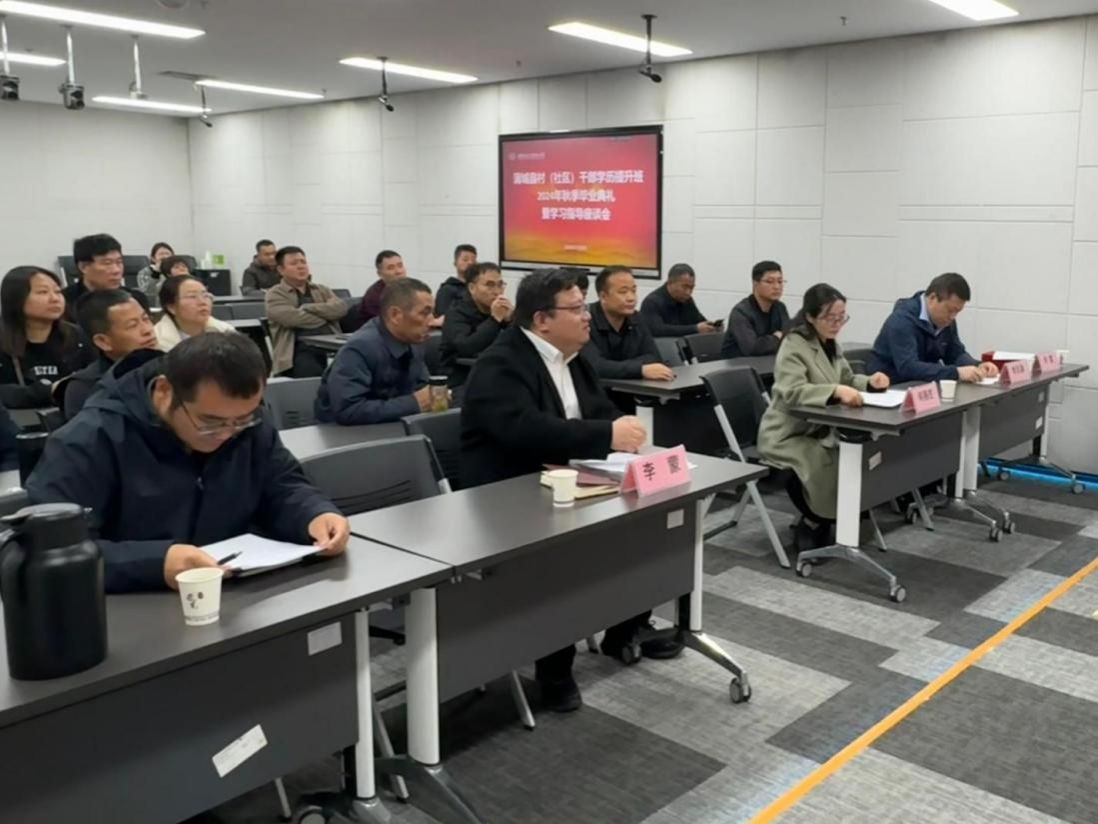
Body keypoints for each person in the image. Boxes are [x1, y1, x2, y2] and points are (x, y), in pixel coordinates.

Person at [461, 268, 679, 713]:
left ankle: (625, 628)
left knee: (643, 526)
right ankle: (555, 669)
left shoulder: (573, 357)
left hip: (566, 481)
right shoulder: (500, 363)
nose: (586, 317)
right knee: (565, 559)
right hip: (510, 494)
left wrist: (621, 427)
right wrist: (607, 434)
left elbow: (596, 409)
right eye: (576, 309)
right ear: (542, 320)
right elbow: (526, 430)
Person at [26, 333, 350, 593]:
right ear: (164, 391)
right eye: (210, 422)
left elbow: (282, 484)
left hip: (235, 592)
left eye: (242, 419)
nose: (227, 433)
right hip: (131, 610)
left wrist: (314, 514)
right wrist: (155, 562)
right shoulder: (89, 440)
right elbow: (55, 551)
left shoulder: (247, 423)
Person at [758, 284, 891, 551]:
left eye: (841, 318)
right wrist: (835, 391)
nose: (837, 324)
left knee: (855, 455)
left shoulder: (829, 343)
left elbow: (847, 379)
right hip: (787, 434)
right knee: (823, 460)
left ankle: (832, 519)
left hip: (818, 428)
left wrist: (870, 383)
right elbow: (792, 392)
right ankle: (815, 520)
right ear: (810, 316)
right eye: (830, 318)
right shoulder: (794, 345)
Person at [315, 278, 433, 425]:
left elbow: (421, 387)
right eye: (424, 314)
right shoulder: (359, 349)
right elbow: (348, 410)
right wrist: (413, 403)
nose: (431, 321)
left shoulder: (414, 342)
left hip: (392, 426)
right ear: (395, 315)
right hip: (345, 433)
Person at [867, 272, 998, 384]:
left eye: (957, 312)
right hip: (890, 388)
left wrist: (977, 366)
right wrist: (956, 373)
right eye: (950, 310)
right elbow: (908, 367)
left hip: (921, 386)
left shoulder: (946, 321)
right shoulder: (902, 320)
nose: (953, 317)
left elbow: (955, 353)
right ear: (932, 298)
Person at [0, 266, 92, 409]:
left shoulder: (76, 336)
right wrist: (47, 391)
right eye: (43, 292)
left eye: (58, 291)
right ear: (15, 298)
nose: (55, 299)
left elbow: (97, 378)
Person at [62, 289, 159, 420]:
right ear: (103, 342)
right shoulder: (85, 388)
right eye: (132, 325)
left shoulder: (172, 367)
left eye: (146, 319)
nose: (148, 330)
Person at [265, 246, 348, 377]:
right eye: (294, 263)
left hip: (332, 345)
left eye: (303, 262)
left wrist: (309, 308)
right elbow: (292, 319)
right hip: (298, 350)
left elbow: (340, 308)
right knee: (312, 374)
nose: (301, 266)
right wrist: (326, 315)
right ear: (281, 270)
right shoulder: (275, 294)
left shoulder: (321, 289)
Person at [583, 265, 673, 382]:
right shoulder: (585, 320)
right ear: (603, 296)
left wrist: (614, 367)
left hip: (632, 389)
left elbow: (654, 358)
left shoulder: (637, 318)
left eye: (633, 291)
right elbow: (595, 366)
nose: (631, 298)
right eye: (623, 292)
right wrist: (640, 369)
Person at [439, 262, 511, 387]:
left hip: (496, 374)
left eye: (500, 285)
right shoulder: (456, 313)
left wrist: (512, 320)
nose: (497, 291)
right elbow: (467, 348)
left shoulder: (500, 312)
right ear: (472, 288)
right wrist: (494, 320)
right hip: (461, 378)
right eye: (489, 285)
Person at [63, 234, 150, 321]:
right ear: (83, 267)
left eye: (119, 262)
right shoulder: (65, 302)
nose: (116, 270)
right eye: (107, 263)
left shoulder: (135, 299)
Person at [721, 260, 792, 358]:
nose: (777, 287)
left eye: (780, 282)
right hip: (738, 364)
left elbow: (789, 339)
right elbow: (752, 348)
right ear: (755, 284)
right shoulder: (741, 312)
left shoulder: (780, 307)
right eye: (770, 282)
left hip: (768, 362)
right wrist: (776, 338)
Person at [153, 276, 235, 353]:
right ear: (172, 307)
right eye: (192, 296)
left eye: (205, 295)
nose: (203, 302)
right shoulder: (157, 341)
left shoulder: (225, 331)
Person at [640, 262, 717, 338]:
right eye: (684, 287)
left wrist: (712, 327)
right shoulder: (651, 302)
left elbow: (699, 321)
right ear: (670, 283)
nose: (688, 292)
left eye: (691, 288)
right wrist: (694, 329)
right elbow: (657, 330)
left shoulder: (687, 300)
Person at [359, 250, 407, 325]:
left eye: (400, 266)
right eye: (391, 268)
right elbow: (390, 325)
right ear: (380, 274)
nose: (398, 271)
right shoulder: (375, 296)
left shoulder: (410, 288)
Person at [434, 243, 478, 322]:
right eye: (465, 259)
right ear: (455, 263)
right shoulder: (447, 289)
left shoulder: (478, 289)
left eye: (473, 260)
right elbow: (442, 317)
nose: (470, 263)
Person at [135, 241, 174, 308]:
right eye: (161, 254)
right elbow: (147, 292)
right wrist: (156, 272)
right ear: (153, 258)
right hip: (155, 307)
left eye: (167, 254)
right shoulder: (145, 272)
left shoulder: (176, 270)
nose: (165, 256)